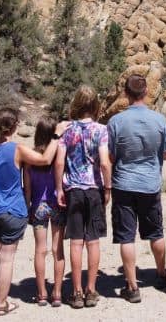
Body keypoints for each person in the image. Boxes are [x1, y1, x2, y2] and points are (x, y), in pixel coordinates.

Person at [0, 108, 67, 316]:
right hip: (13, 210)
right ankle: (1, 304)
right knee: (6, 259)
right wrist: (56, 136)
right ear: (16, 124)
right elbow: (45, 160)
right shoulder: (18, 149)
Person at [107, 74, 166, 303]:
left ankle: (132, 287)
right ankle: (162, 274)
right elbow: (165, 153)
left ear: (126, 93)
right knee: (156, 232)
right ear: (145, 92)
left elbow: (111, 155)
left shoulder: (115, 122)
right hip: (150, 184)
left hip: (123, 183)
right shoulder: (160, 121)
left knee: (126, 237)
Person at [55, 85, 111, 309]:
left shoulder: (67, 131)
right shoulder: (101, 130)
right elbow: (105, 162)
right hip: (94, 189)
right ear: (95, 105)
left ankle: (76, 292)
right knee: (93, 240)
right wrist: (108, 188)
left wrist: (59, 188)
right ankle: (91, 289)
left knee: (76, 241)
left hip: (74, 190)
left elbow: (59, 162)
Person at [24, 116, 68, 307]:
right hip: (57, 204)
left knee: (40, 250)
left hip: (38, 206)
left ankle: (41, 293)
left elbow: (27, 187)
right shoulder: (59, 153)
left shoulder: (30, 157)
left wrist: (27, 208)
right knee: (58, 250)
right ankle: (57, 293)